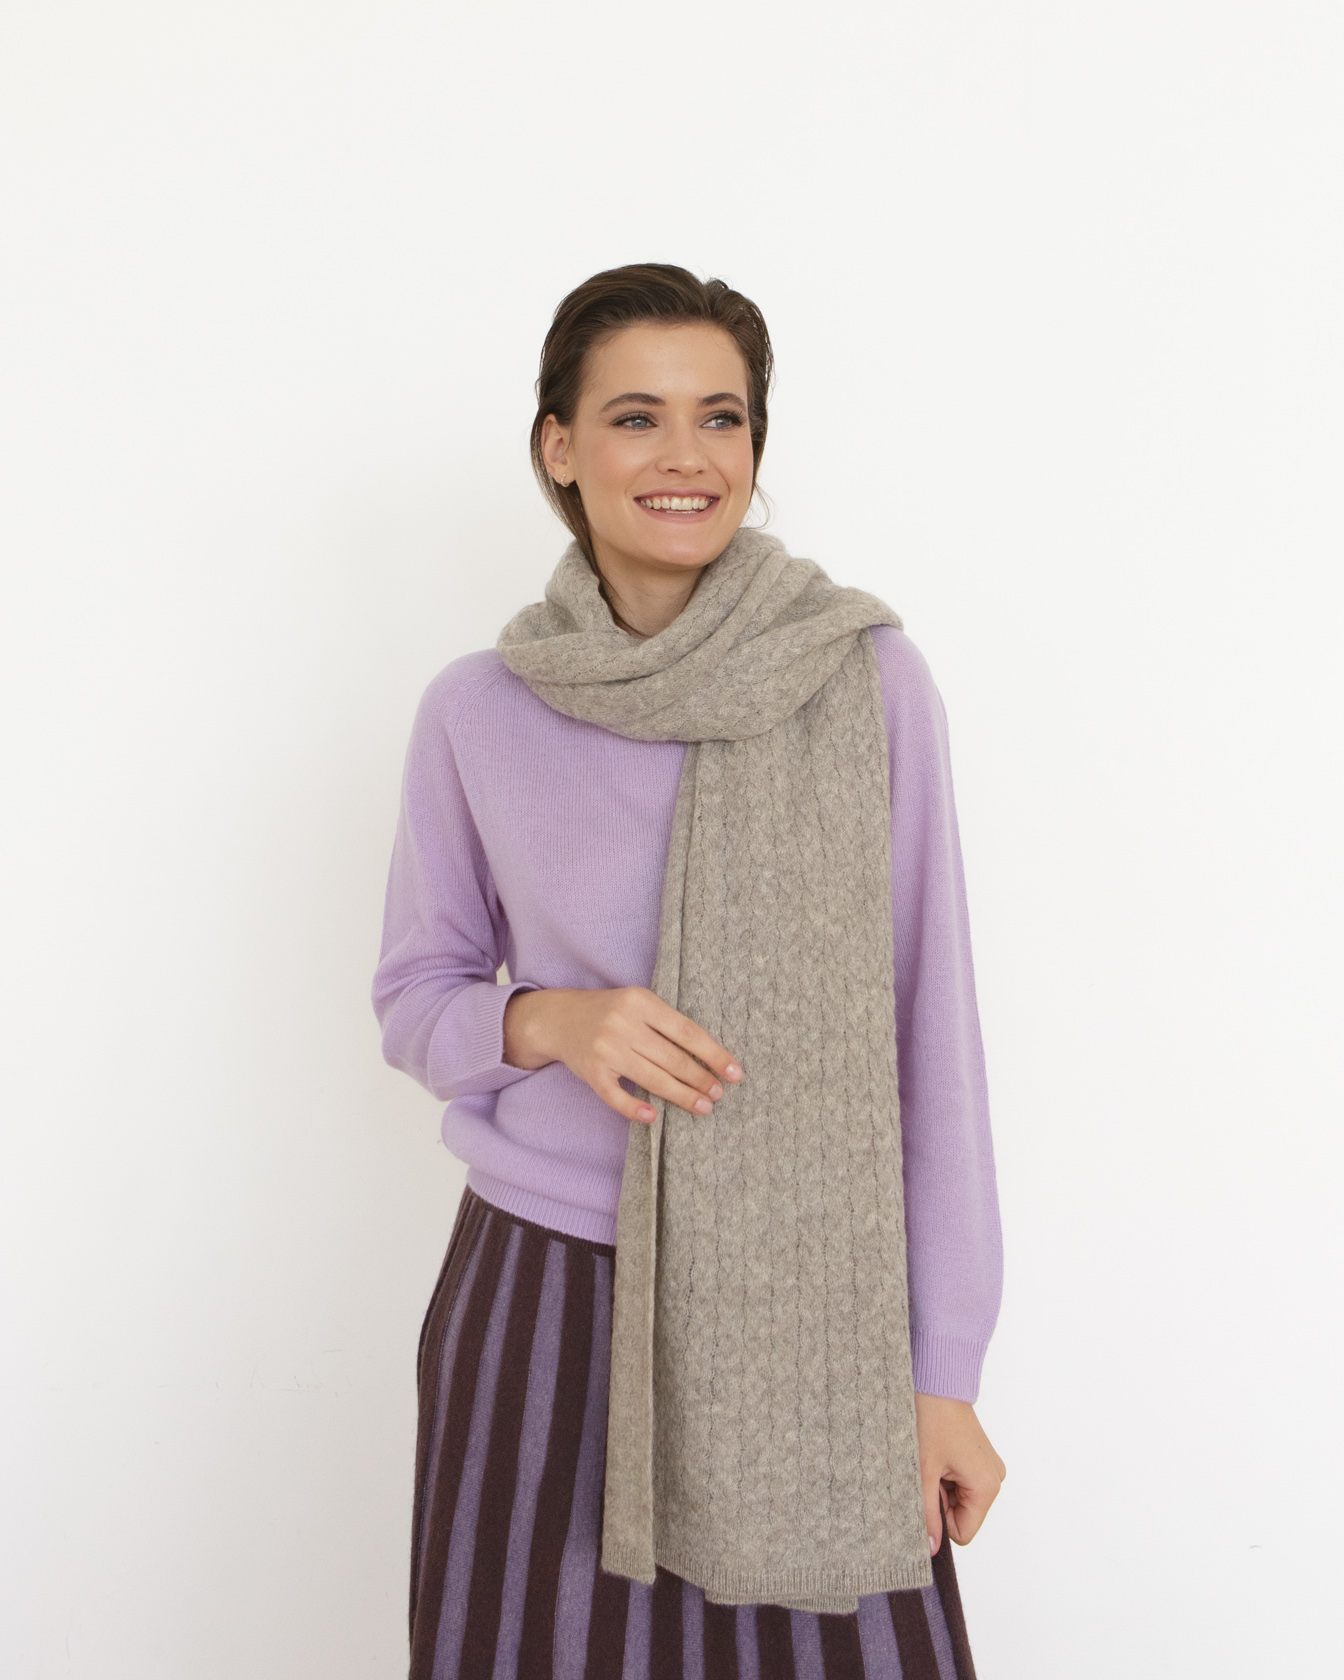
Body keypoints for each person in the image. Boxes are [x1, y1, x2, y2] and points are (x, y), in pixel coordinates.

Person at [372, 263, 1005, 1680]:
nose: (687, 456)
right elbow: (417, 996)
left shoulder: (862, 679)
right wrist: (548, 1021)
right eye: (636, 417)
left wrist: (943, 1371)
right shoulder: (478, 710)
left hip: (811, 1306)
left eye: (721, 418)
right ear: (559, 447)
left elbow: (932, 1033)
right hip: (547, 1297)